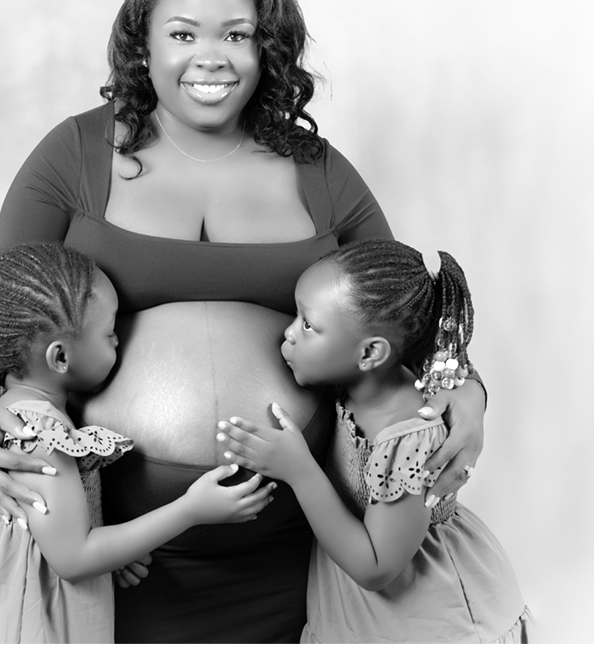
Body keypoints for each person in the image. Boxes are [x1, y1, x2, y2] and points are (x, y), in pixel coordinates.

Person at [0, 0, 492, 642]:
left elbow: (399, 314)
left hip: (301, 557)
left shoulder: (321, 173)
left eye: (237, 34)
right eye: (183, 33)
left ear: (270, 48)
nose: (211, 56)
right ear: (143, 44)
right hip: (110, 562)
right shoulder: (71, 158)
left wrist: (467, 393)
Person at [0, 243, 279, 643]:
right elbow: (74, 557)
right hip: (34, 620)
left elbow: (56, 534)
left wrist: (112, 547)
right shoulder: (39, 431)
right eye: (110, 333)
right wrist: (190, 510)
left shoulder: (17, 409)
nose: (117, 343)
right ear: (61, 358)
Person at [218, 240, 528, 643]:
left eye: (308, 325)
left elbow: (377, 567)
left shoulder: (408, 434)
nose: (289, 333)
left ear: (369, 353)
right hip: (358, 615)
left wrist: (300, 471)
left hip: (431, 622)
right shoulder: (352, 383)